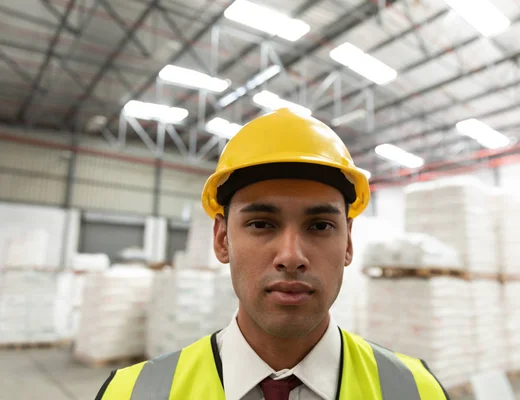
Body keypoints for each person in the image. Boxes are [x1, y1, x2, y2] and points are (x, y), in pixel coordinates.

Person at [95, 108, 449, 399]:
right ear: (221, 240)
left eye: (320, 226)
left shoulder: (417, 391)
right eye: (262, 224)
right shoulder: (131, 394)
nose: (291, 256)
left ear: (348, 243)